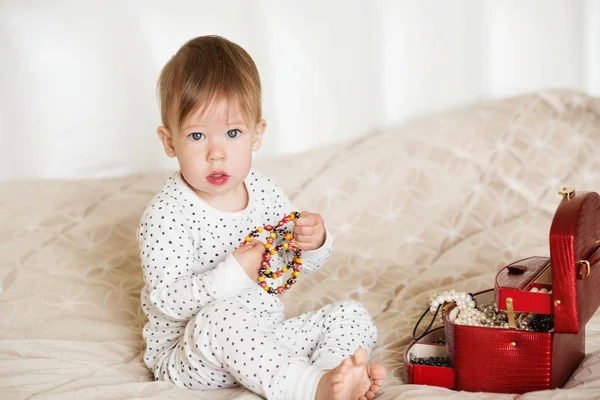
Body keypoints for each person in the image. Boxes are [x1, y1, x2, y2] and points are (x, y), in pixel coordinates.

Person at [137, 35, 386, 400]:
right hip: (192, 354)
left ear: (257, 135)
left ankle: (332, 377)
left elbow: (290, 263)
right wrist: (231, 275)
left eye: (233, 133)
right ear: (169, 141)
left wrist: (314, 242)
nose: (216, 154)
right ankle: (309, 389)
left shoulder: (264, 192)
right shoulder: (166, 215)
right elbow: (166, 301)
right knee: (220, 318)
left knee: (350, 315)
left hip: (263, 342)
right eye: (196, 135)